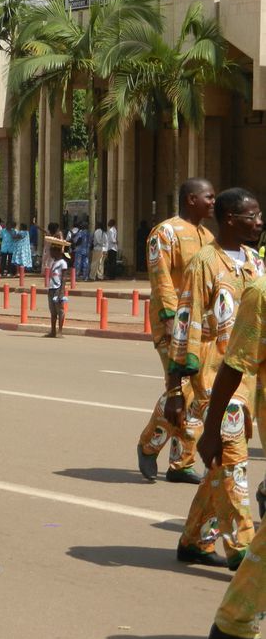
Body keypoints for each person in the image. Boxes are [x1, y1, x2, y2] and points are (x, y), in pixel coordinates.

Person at [167, 187, 264, 570]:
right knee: (234, 460)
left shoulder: (255, 261)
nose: (259, 221)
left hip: (250, 377)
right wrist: (175, 388)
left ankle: (193, 539)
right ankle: (244, 549)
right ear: (229, 219)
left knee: (222, 462)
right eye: (251, 216)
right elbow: (185, 323)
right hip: (214, 375)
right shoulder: (204, 263)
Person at [199, 275, 266, 639]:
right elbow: (234, 364)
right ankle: (234, 620)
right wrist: (211, 429)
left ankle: (234, 621)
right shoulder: (261, 293)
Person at [137, 178, 216, 483]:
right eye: (208, 197)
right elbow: (161, 279)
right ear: (191, 199)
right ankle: (149, 444)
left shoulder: (208, 236)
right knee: (180, 389)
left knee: (201, 394)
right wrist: (171, 319)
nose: (213, 201)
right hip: (174, 323)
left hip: (203, 325)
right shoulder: (165, 232)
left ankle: (181, 462)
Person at [45, 239, 69, 338]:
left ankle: (60, 331)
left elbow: (64, 278)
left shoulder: (63, 263)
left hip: (58, 289)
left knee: (60, 310)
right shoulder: (53, 262)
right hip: (51, 288)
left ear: (57, 251)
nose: (50, 253)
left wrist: (61, 291)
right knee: (53, 311)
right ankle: (53, 331)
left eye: (52, 251)